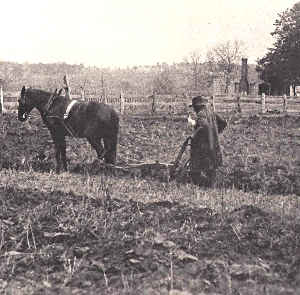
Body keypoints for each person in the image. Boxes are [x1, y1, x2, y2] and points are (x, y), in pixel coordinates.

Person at [188, 96, 227, 187]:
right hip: (213, 143)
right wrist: (215, 133)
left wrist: (194, 135)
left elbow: (203, 125)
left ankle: (201, 185)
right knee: (211, 167)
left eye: (194, 107)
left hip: (203, 145)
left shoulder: (201, 114)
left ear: (197, 106)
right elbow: (224, 123)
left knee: (196, 167)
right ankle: (211, 186)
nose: (194, 109)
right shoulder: (212, 113)